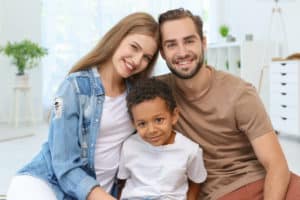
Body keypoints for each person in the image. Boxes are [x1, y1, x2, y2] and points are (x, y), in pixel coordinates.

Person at [7, 12, 160, 200]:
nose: (137, 60)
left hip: (100, 193)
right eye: (134, 47)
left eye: (146, 57)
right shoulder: (73, 87)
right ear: (118, 38)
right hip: (47, 183)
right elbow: (64, 164)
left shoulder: (137, 96)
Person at [158, 8, 300, 200]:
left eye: (189, 41)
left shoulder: (240, 93)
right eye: (171, 45)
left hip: (269, 180)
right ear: (162, 53)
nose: (182, 52)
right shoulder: (156, 94)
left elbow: (276, 164)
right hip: (223, 192)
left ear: (203, 42)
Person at [117, 78, 207, 200]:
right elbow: (122, 182)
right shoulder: (129, 146)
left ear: (174, 116)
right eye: (142, 124)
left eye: (159, 120)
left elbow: (196, 182)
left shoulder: (190, 150)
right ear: (133, 123)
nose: (151, 130)